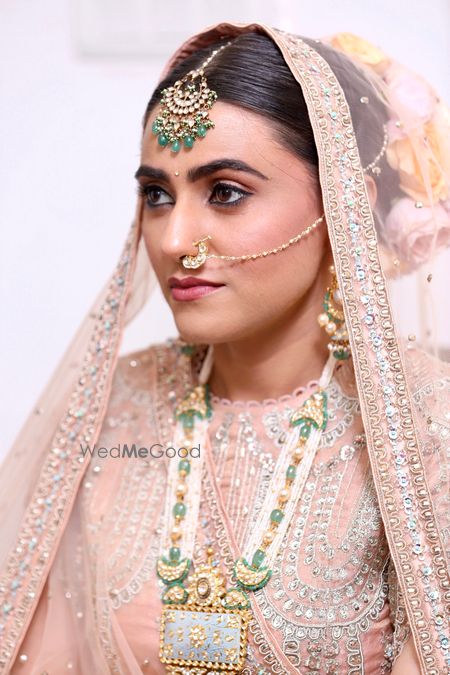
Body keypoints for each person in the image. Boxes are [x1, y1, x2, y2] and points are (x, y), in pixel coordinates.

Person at [0, 20, 449, 675]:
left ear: (343, 202)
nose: (174, 239)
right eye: (157, 195)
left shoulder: (425, 423)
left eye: (226, 192)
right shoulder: (111, 406)